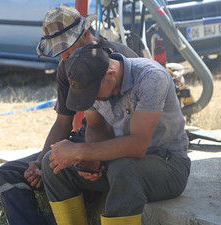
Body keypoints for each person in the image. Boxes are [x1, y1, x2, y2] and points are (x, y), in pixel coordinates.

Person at [0, 3, 138, 225]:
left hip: (115, 147)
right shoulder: (66, 67)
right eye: (59, 51)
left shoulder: (115, 60)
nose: (64, 57)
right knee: (8, 173)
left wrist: (84, 157)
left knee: (61, 168)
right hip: (84, 141)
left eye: (68, 49)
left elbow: (114, 129)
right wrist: (41, 162)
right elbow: (63, 123)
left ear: (86, 33)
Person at [41, 43, 191, 225]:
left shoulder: (151, 77)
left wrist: (82, 151)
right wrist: (93, 162)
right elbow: (95, 125)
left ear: (110, 74)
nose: (92, 99)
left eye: (93, 94)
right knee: (52, 162)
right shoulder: (91, 80)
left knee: (123, 169)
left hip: (169, 165)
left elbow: (138, 146)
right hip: (119, 163)